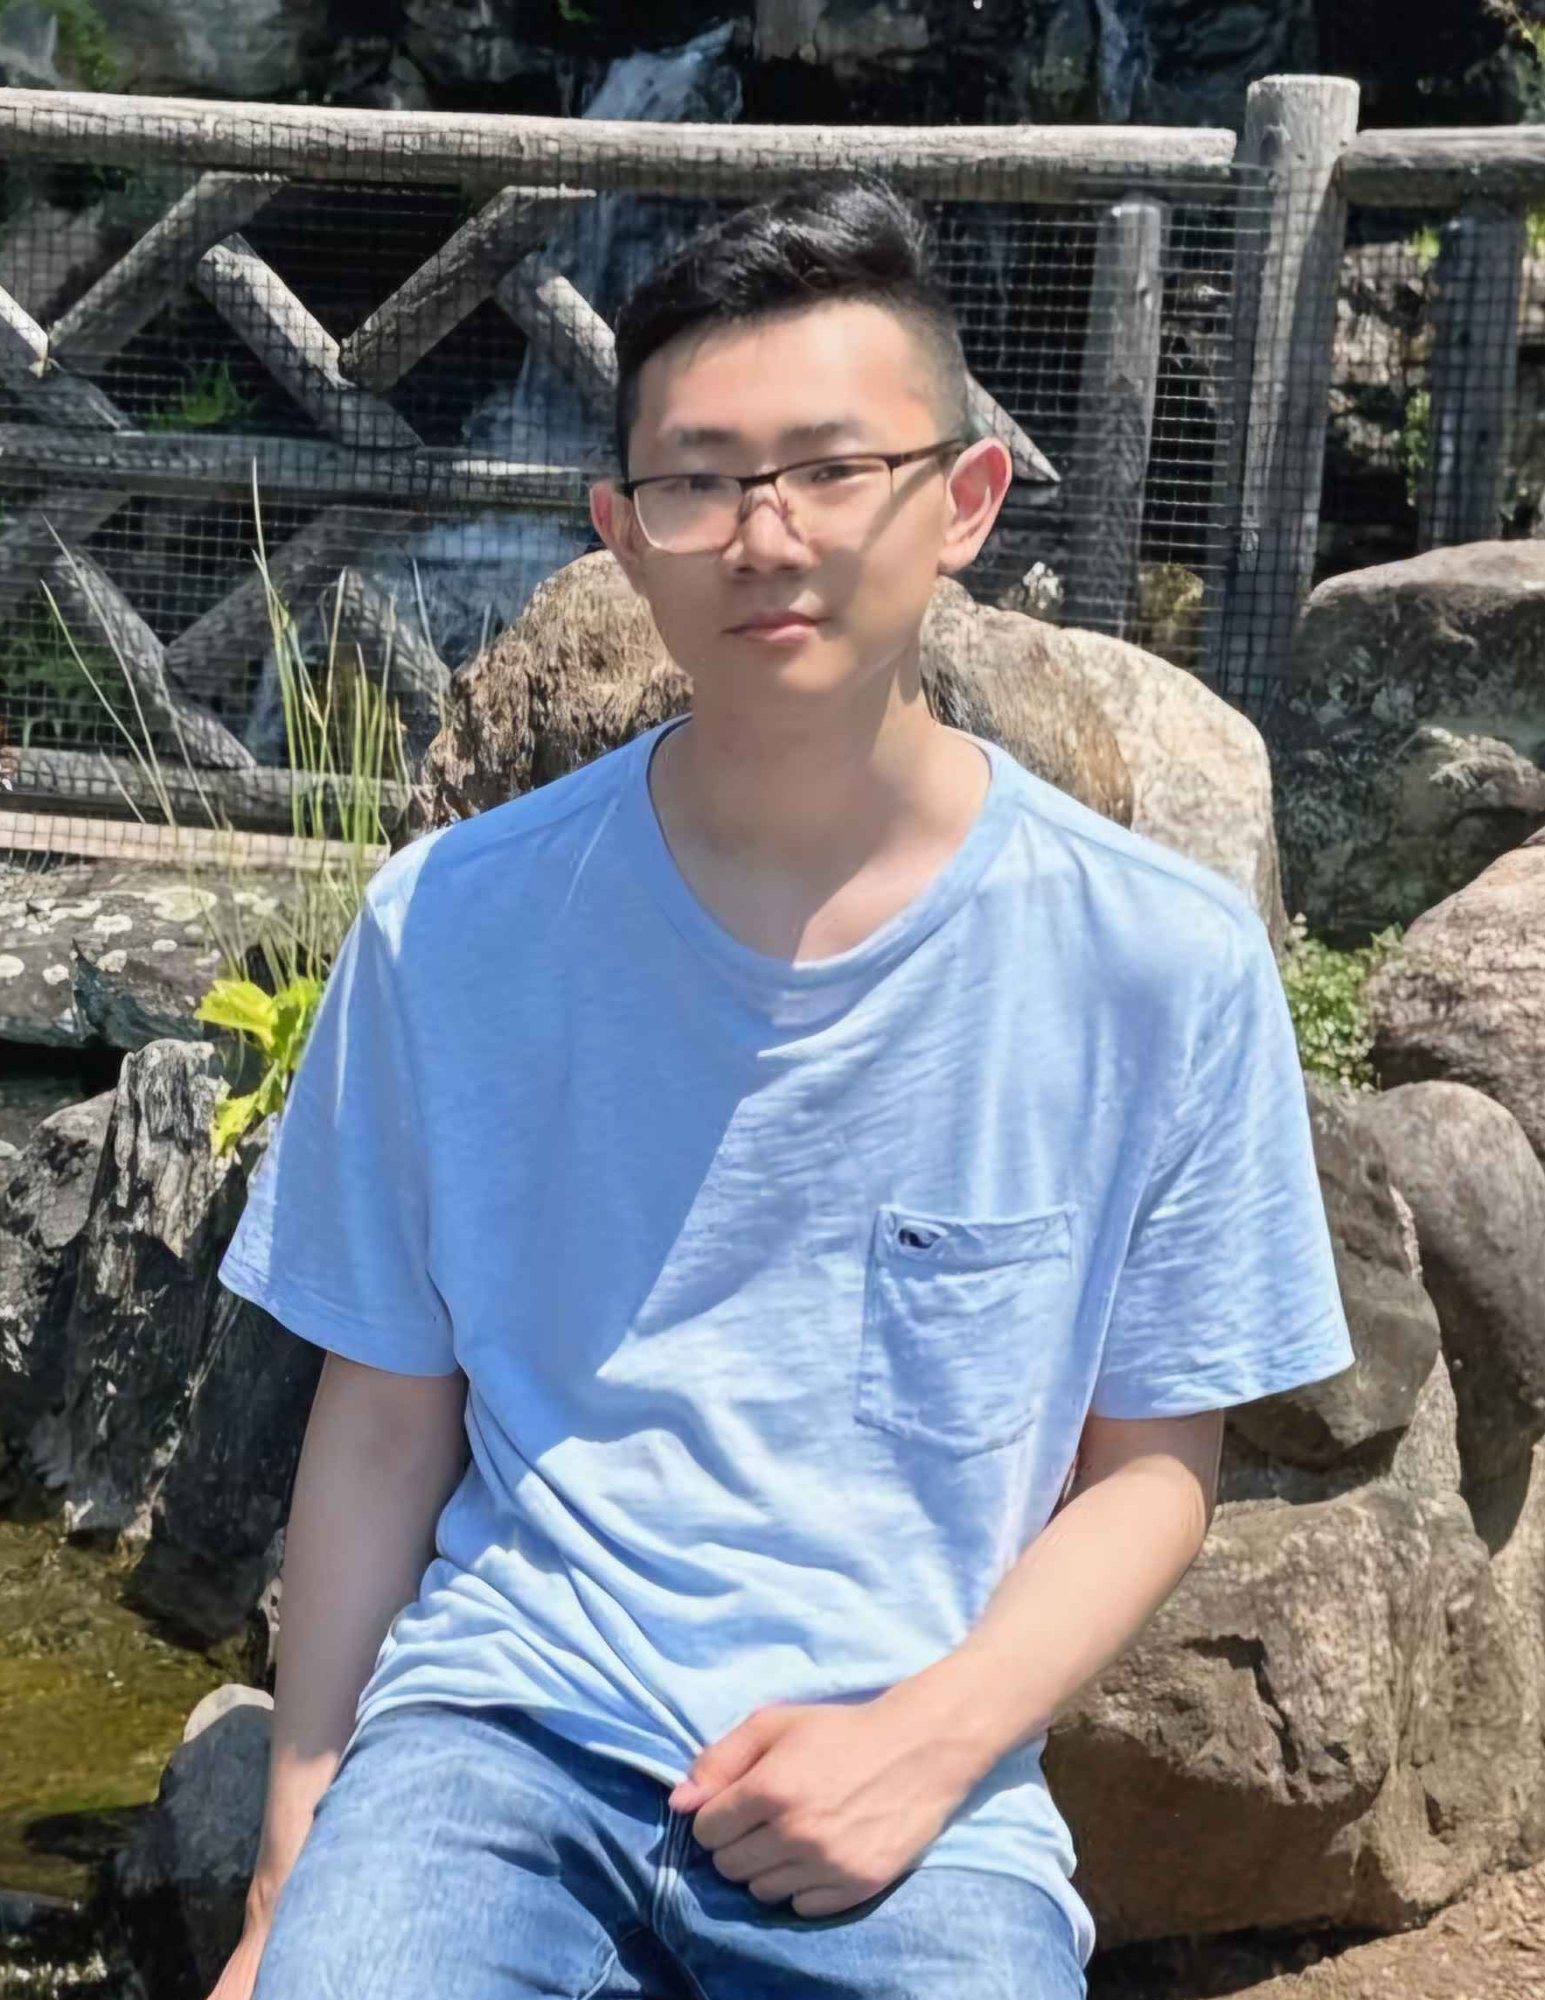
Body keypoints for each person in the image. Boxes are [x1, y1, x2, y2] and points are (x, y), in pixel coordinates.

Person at [211, 170, 1356, 2000]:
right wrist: (291, 1872)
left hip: (915, 1770)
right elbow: (378, 1424)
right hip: (504, 1726)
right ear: (620, 530)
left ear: (965, 499)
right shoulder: (456, 926)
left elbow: (1154, 1470)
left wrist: (928, 1743)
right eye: (701, 479)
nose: (766, 534)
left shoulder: (1155, 962)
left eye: (835, 468)